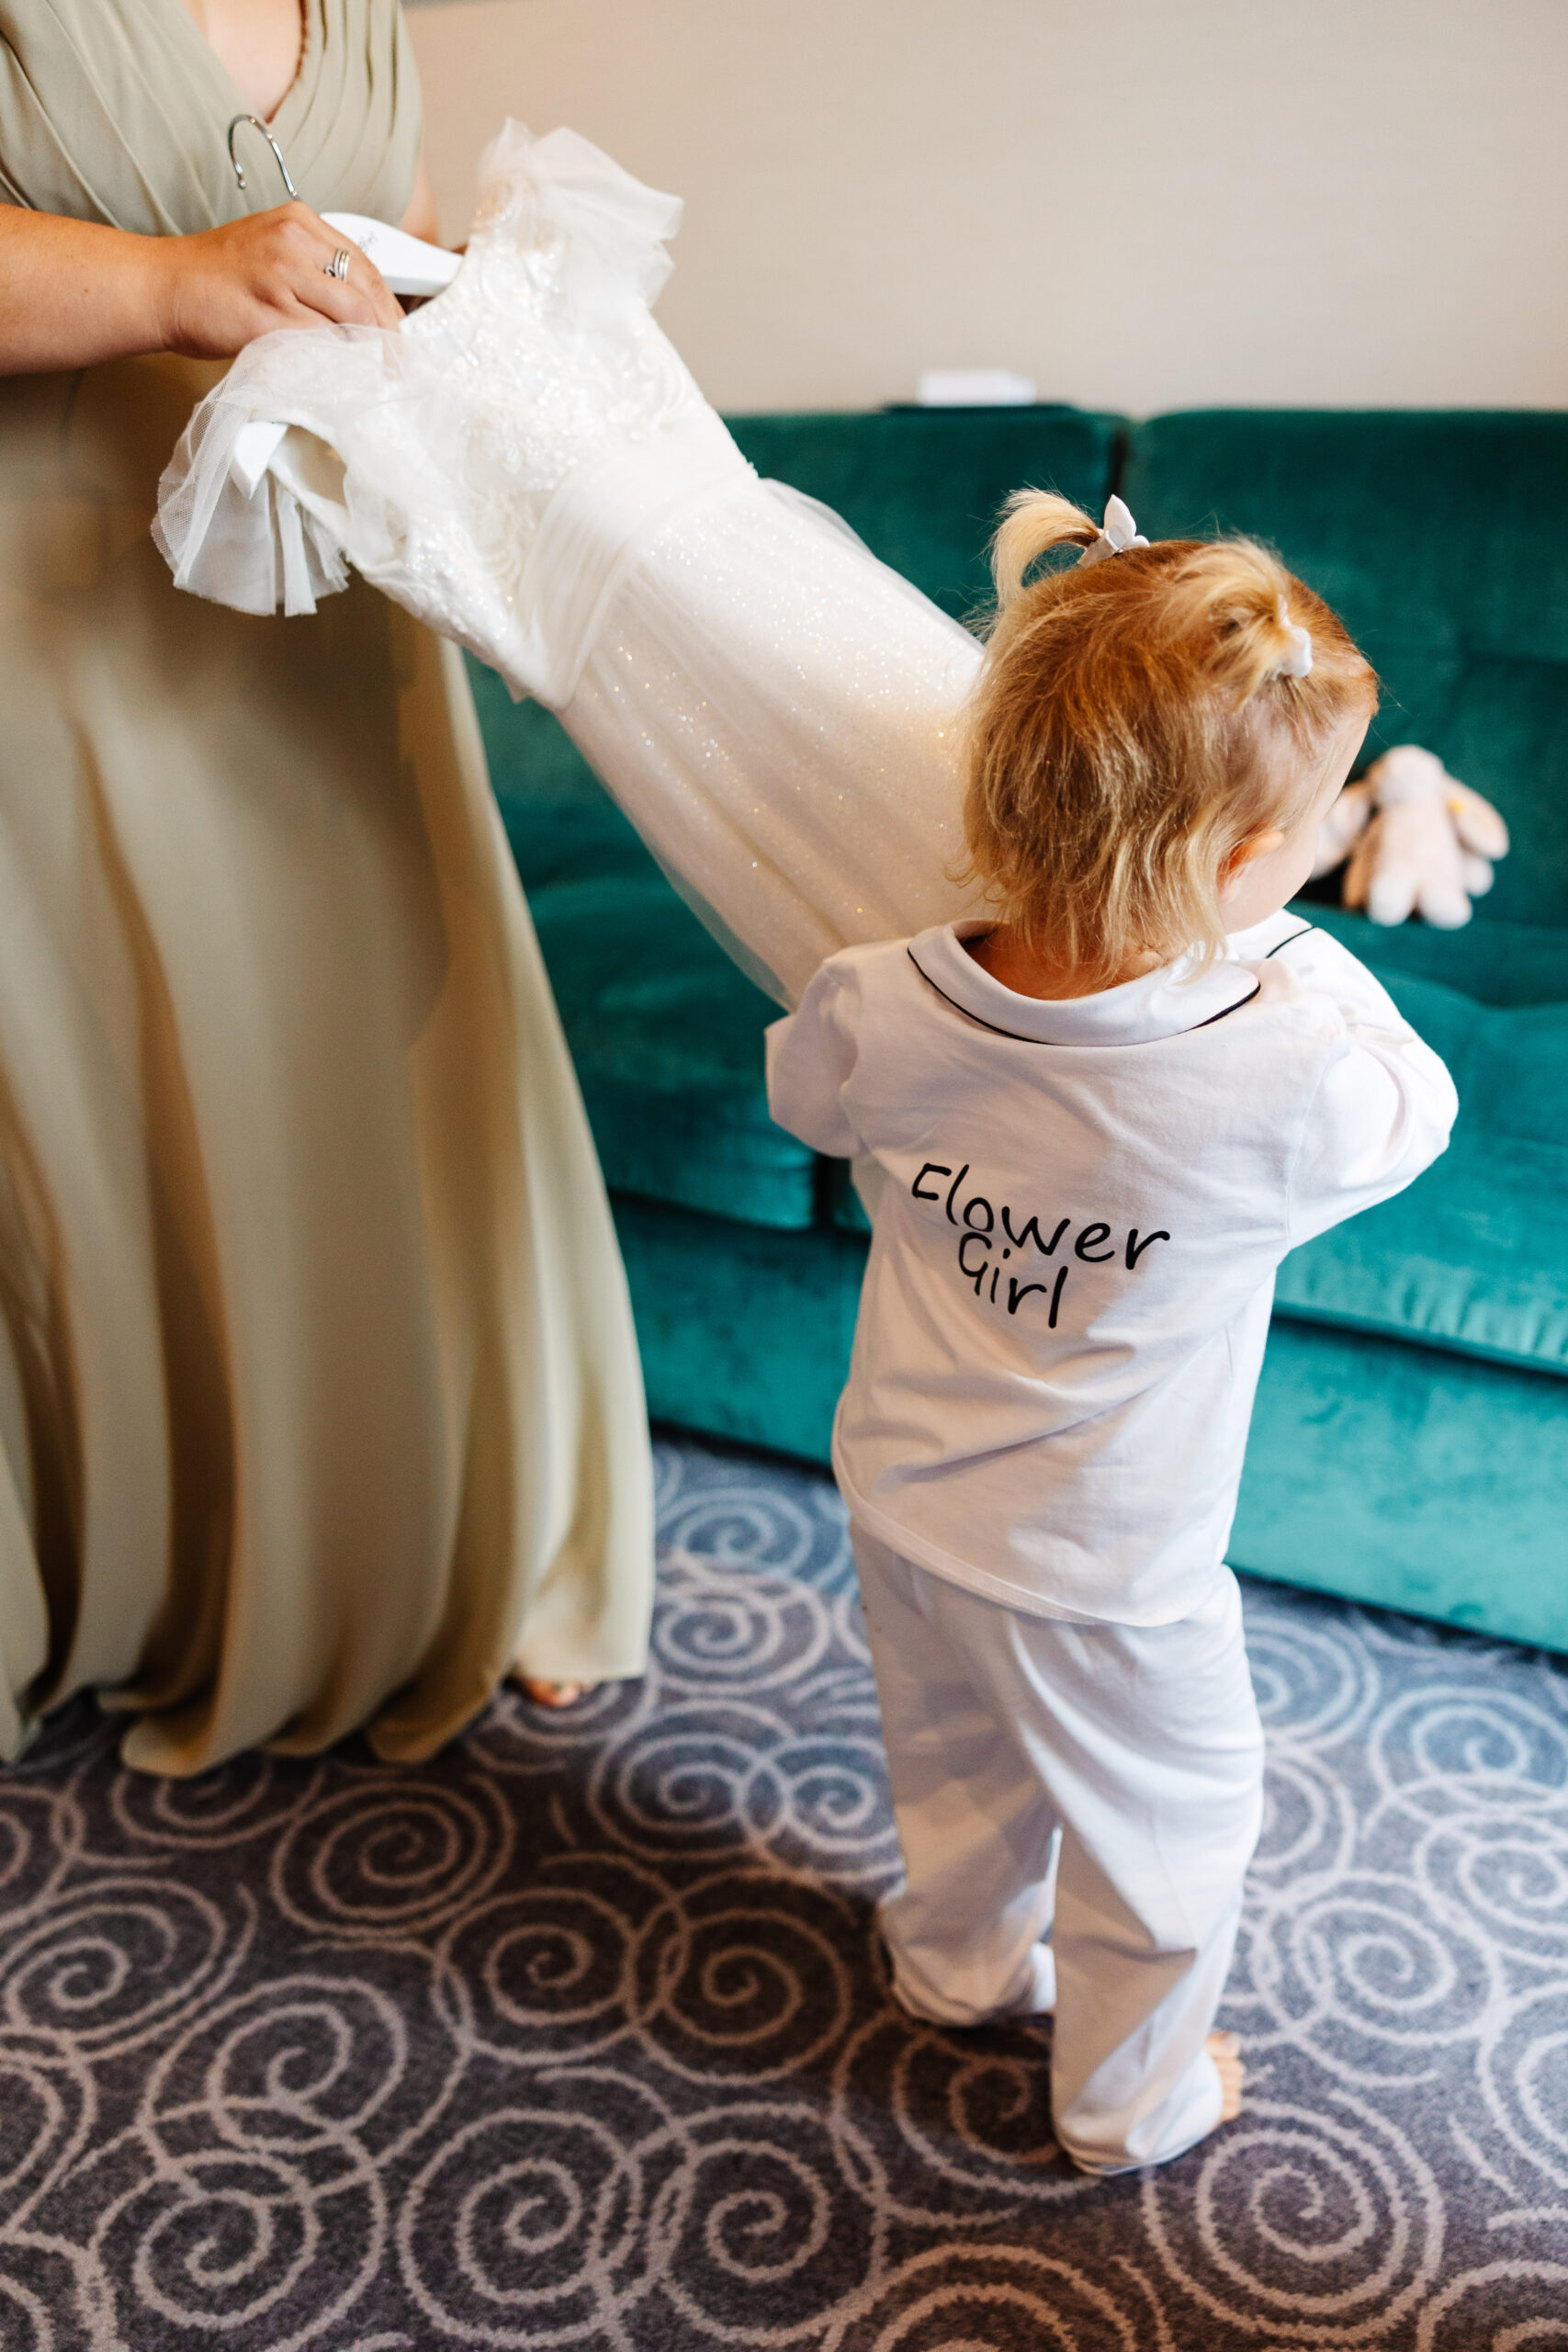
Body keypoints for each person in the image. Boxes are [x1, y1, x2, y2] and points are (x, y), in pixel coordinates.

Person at [764, 492, 1458, 2174]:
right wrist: (1286, 940)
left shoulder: (881, 988)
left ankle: (949, 1968)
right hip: (1108, 1566)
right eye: (1304, 840)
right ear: (1235, 871)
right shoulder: (1285, 1070)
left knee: (952, 1764)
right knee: (1172, 1828)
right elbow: (1415, 1111)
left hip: (904, 1497)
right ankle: (1128, 2099)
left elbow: (809, 1100)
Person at [0, 1, 652, 1771]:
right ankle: (128, 1567)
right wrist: (164, 283)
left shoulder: (357, 8)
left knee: (397, 1076)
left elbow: (384, 265)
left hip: (336, 648)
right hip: (58, 635)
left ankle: (450, 1545)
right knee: (107, 1108)